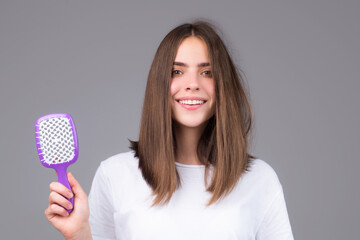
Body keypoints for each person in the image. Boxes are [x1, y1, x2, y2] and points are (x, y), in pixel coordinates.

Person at [45, 21, 294, 240]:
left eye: (207, 72)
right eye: (177, 71)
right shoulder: (115, 175)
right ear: (160, 83)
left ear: (223, 86)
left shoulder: (260, 180)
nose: (193, 84)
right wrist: (78, 235)